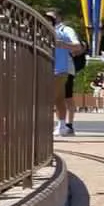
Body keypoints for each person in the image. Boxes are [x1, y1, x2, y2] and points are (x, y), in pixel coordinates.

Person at [45, 9, 84, 137]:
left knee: (63, 97)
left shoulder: (65, 31)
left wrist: (62, 44)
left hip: (64, 68)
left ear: (58, 18)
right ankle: (62, 125)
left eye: (51, 18)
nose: (49, 20)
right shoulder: (44, 31)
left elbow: (78, 47)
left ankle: (67, 125)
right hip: (50, 68)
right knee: (59, 98)